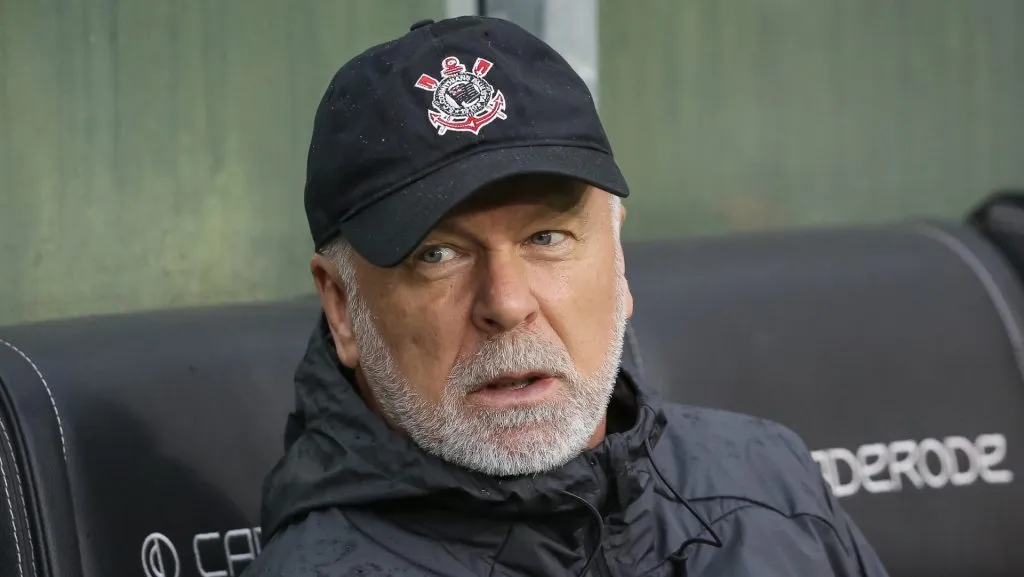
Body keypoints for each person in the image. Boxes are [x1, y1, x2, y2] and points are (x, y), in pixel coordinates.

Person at [241, 15, 889, 577]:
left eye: (547, 237)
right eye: (437, 254)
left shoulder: (771, 486)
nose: (507, 301)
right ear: (342, 309)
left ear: (619, 258)